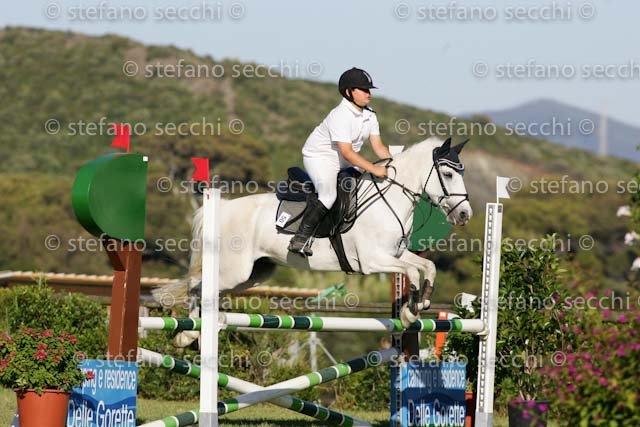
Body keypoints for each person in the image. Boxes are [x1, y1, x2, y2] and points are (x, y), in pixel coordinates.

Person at [288, 67, 391, 256]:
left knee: (365, 187)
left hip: (343, 160)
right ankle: (300, 238)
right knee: (328, 196)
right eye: (363, 89)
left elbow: (378, 146)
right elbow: (348, 153)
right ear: (348, 92)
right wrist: (374, 168)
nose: (368, 93)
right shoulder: (340, 115)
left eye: (369, 89)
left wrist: (392, 164)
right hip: (320, 157)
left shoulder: (370, 115)